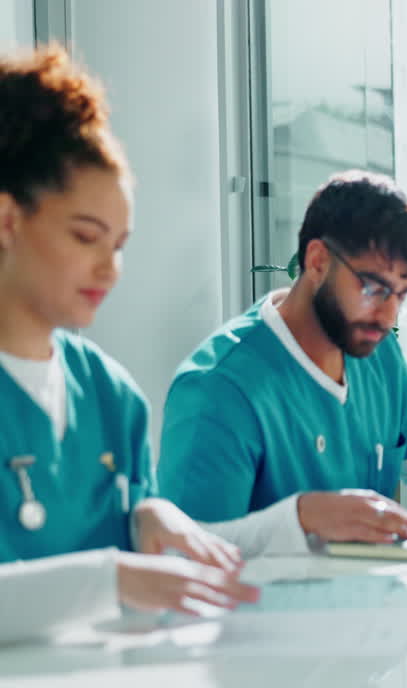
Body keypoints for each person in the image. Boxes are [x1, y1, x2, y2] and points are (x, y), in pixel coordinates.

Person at [0, 46, 258, 644]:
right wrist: (109, 579)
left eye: (118, 246)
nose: (110, 269)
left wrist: (148, 517)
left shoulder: (111, 396)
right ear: (8, 221)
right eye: (86, 237)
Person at [157, 171, 407, 542]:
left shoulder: (377, 351)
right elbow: (185, 548)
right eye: (374, 289)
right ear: (318, 261)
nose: (388, 316)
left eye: (402, 295)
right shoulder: (220, 387)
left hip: (370, 582)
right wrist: (302, 518)